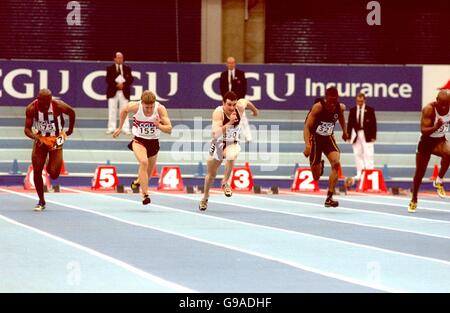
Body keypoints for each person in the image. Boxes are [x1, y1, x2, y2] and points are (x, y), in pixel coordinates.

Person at [199, 91, 258, 211]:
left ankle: (225, 182)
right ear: (223, 103)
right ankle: (205, 197)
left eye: (233, 105)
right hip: (218, 144)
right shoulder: (218, 113)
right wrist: (230, 122)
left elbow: (246, 102)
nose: (232, 108)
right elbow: (215, 133)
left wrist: (254, 110)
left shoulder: (239, 107)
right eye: (229, 105)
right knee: (210, 175)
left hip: (232, 143)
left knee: (232, 155)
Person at [113, 90, 172, 205]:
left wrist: (158, 125)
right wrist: (120, 127)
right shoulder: (135, 106)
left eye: (151, 107)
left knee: (148, 173)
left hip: (153, 142)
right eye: (146, 107)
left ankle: (139, 181)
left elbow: (169, 129)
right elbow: (124, 110)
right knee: (144, 162)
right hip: (139, 140)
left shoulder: (160, 109)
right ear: (142, 103)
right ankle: (145, 195)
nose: (149, 110)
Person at [24, 88, 76, 211]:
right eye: (44, 103)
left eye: (49, 102)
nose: (47, 105)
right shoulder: (31, 108)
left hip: (57, 138)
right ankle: (41, 201)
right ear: (38, 99)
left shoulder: (58, 105)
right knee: (37, 169)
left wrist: (71, 129)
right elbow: (26, 129)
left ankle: (49, 162)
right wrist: (36, 137)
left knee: (54, 174)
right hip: (41, 138)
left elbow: (72, 112)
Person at [303, 87, 349, 207]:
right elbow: (307, 127)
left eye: (335, 101)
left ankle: (329, 197)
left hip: (328, 138)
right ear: (326, 98)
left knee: (336, 163)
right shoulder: (318, 107)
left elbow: (341, 117)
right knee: (316, 177)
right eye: (330, 101)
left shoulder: (340, 107)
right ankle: (320, 165)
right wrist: (307, 145)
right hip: (315, 140)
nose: (332, 104)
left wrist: (345, 131)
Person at [408, 90, 450, 213]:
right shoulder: (429, 109)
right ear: (436, 100)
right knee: (419, 174)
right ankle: (414, 198)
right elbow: (423, 130)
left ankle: (439, 181)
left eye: (446, 104)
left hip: (440, 141)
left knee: (449, 154)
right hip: (426, 142)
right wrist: (436, 127)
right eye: (441, 104)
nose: (444, 107)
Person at [346, 93, 377, 180]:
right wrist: (348, 136)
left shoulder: (370, 110)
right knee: (357, 154)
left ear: (364, 100)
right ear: (356, 100)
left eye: (361, 101)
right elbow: (350, 124)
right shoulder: (352, 110)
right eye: (358, 101)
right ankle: (360, 172)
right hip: (355, 134)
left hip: (367, 134)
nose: (359, 102)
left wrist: (373, 136)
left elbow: (373, 124)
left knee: (368, 154)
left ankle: (369, 173)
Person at [106, 52, 134, 135]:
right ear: (114, 59)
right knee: (112, 110)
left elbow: (131, 79)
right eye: (118, 57)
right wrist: (116, 85)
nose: (120, 59)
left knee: (125, 110)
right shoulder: (110, 68)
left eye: (121, 58)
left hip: (124, 92)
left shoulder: (127, 68)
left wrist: (123, 85)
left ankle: (125, 128)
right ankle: (111, 128)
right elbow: (108, 79)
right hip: (113, 92)